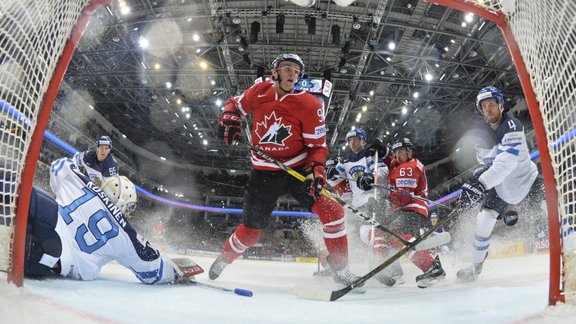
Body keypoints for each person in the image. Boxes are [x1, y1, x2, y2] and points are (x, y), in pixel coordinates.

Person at [210, 53, 361, 287]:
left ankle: (340, 268)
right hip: (263, 176)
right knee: (250, 234)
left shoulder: (310, 104)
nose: (292, 73)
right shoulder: (259, 91)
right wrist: (230, 117)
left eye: (296, 70)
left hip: (297, 172)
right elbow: (234, 105)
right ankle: (223, 259)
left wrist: (316, 170)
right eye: (287, 68)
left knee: (334, 213)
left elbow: (317, 147)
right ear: (275, 72)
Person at [23, 157, 201, 284]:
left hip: (37, 211)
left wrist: (80, 163)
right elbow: (154, 271)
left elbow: (58, 165)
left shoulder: (82, 183)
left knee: (23, 188)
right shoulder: (125, 234)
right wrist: (176, 273)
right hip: (45, 259)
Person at [456, 86, 540, 281]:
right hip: (503, 187)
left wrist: (481, 183)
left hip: (527, 180)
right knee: (483, 222)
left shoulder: (512, 125)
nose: (488, 109)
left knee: (553, 210)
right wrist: (478, 178)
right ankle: (475, 268)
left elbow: (506, 163)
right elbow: (488, 164)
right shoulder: (480, 134)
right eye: (484, 106)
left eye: (492, 104)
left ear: (501, 105)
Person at [357, 137, 446, 288]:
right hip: (400, 211)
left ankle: (432, 267)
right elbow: (390, 162)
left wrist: (381, 203)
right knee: (382, 231)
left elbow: (402, 199)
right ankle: (388, 268)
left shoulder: (409, 168)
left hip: (411, 209)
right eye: (396, 152)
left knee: (396, 234)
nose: (397, 155)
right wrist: (383, 153)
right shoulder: (399, 163)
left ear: (410, 152)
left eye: (401, 152)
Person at [325, 128, 405, 286]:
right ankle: (391, 268)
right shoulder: (346, 159)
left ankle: (387, 267)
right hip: (358, 204)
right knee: (369, 235)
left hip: (374, 200)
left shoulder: (369, 154)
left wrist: (372, 178)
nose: (352, 143)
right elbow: (337, 177)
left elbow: (383, 171)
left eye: (355, 139)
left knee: (371, 233)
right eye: (349, 140)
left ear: (362, 140)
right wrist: (331, 175)